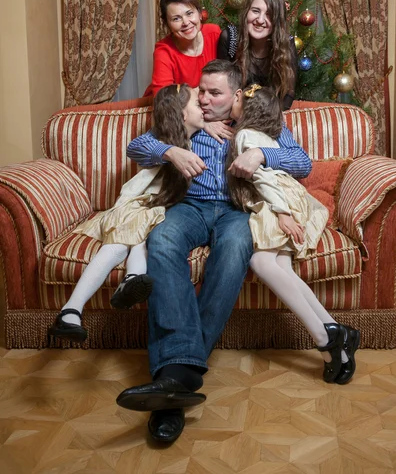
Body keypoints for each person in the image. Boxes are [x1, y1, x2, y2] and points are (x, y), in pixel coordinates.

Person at [116, 59, 312, 443]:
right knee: (163, 240)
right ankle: (183, 375)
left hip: (236, 211)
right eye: (201, 91)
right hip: (190, 207)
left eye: (214, 93)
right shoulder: (189, 119)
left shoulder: (259, 124)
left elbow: (302, 163)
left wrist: (262, 155)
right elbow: (137, 146)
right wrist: (171, 152)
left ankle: (173, 383)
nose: (203, 99)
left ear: (236, 95)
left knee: (238, 245)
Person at [48, 84, 205, 343]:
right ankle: (71, 310)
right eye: (198, 105)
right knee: (118, 245)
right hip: (137, 204)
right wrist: (170, 152)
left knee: (142, 241)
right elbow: (135, 148)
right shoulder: (160, 139)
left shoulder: (202, 136)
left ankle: (130, 281)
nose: (205, 108)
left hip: (160, 211)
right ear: (181, 114)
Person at [228, 83, 360, 384]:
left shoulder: (246, 135)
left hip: (281, 202)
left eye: (237, 97)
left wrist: (282, 212)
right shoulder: (257, 131)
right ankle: (334, 337)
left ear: (248, 109)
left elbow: (268, 175)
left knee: (261, 263)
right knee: (281, 267)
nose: (233, 97)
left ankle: (326, 338)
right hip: (290, 200)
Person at [217, 0, 297, 110]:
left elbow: (288, 93)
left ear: (277, 19)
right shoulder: (230, 38)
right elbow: (221, 88)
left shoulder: (287, 42)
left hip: (269, 116)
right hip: (234, 114)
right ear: (246, 11)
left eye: (269, 14)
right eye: (255, 11)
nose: (260, 20)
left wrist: (270, 118)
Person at [143, 0, 221, 97]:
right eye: (176, 19)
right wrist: (207, 90)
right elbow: (165, 100)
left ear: (199, 14)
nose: (185, 22)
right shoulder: (164, 51)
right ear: (167, 24)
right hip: (174, 111)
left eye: (189, 13)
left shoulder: (214, 33)